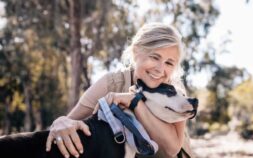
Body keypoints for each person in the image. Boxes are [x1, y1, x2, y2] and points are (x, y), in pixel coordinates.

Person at [46, 22, 194, 158]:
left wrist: (135, 102)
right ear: (136, 52)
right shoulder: (111, 83)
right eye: (155, 57)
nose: (160, 69)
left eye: (169, 63)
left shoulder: (175, 94)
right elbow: (69, 121)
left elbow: (171, 149)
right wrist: (60, 122)